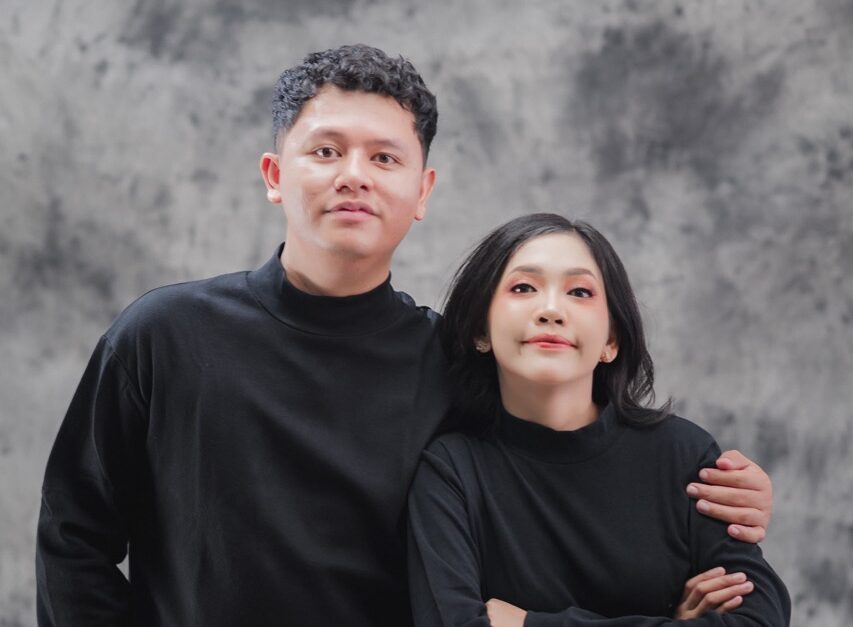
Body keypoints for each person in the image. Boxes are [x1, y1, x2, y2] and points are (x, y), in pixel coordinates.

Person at [37, 46, 773, 626]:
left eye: (384, 157)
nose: (353, 176)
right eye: (325, 151)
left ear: (421, 191)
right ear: (274, 174)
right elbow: (74, 539)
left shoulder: (453, 362)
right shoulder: (164, 336)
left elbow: (574, 463)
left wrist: (713, 497)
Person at [407, 213, 790, 626]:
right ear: (480, 331)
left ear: (611, 340)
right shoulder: (451, 471)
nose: (551, 310)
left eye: (579, 292)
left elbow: (761, 620)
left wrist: (530, 624)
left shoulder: (683, 455)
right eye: (523, 287)